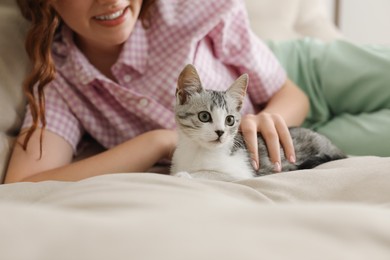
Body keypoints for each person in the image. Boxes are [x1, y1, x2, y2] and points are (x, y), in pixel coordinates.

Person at [7, 0, 390, 183]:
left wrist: (254, 121)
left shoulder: (191, 8)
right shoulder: (60, 79)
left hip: (292, 81)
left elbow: (295, 96)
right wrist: (158, 142)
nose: (113, 0)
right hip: (286, 152)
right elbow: (24, 184)